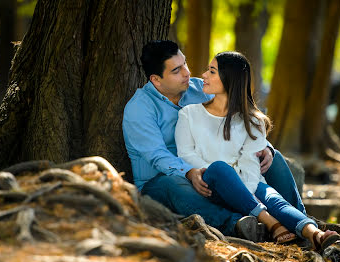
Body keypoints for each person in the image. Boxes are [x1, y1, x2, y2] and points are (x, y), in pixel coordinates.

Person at [122, 40, 304, 240]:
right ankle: (240, 225)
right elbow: (158, 156)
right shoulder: (139, 109)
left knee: (273, 158)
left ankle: (300, 221)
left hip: (213, 172)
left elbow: (240, 114)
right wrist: (190, 172)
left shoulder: (200, 89)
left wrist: (264, 147)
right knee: (173, 185)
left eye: (185, 64)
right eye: (176, 70)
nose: (187, 73)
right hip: (162, 182)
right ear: (156, 80)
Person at [174, 51, 340, 249]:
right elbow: (185, 154)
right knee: (220, 168)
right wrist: (229, 180)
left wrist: (246, 191)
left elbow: (251, 168)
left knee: (273, 198)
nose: (204, 75)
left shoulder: (253, 120)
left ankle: (316, 234)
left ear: (230, 79)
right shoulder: (189, 114)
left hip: (248, 184)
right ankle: (272, 223)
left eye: (212, 71)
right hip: (213, 185)